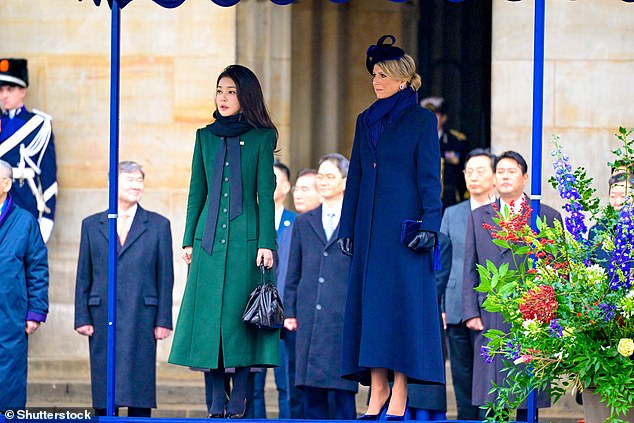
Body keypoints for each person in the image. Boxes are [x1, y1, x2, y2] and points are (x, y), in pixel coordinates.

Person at [338, 35, 444, 420]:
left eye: (383, 75)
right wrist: (347, 228)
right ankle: (377, 385)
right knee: (373, 311)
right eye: (374, 75)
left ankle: (400, 388)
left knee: (401, 310)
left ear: (402, 80)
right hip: (369, 233)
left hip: (406, 233)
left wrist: (431, 225)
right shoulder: (364, 120)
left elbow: (431, 180)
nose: (376, 81)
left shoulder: (421, 120)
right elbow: (356, 180)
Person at [169, 64, 279, 419]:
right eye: (220, 91)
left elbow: (265, 193)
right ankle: (218, 395)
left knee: (239, 318)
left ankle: (242, 391)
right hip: (207, 242)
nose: (224, 98)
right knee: (209, 319)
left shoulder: (262, 138)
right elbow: (195, 191)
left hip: (247, 241)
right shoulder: (204, 136)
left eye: (231, 92)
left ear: (246, 96)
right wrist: (188, 238)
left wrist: (267, 242)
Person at [462, 150, 560, 420]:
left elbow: (559, 270)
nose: (505, 176)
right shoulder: (479, 216)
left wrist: (550, 314)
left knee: (526, 400)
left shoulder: (546, 216)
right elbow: (470, 267)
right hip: (491, 316)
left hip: (530, 320)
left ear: (525, 177)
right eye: (500, 171)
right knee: (493, 398)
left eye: (511, 171)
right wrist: (470, 311)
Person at [74, 161, 174, 417]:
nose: (136, 185)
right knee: (104, 386)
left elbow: (165, 276)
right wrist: (82, 316)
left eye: (139, 180)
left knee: (139, 386)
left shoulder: (158, 225)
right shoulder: (91, 224)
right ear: (112, 185)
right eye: (129, 179)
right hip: (101, 314)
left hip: (143, 315)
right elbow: (84, 274)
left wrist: (163, 319)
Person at [284, 153, 358, 420]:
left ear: (345, 182)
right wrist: (289, 311)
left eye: (330, 177)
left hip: (342, 318)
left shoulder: (356, 221)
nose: (324, 182)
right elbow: (293, 271)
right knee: (310, 395)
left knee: (342, 396)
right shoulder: (304, 222)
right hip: (308, 317)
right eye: (321, 176)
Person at [439, 148, 496, 420]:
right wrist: (439, 304)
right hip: (455, 306)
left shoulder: (502, 214)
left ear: (495, 177)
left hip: (491, 307)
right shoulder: (451, 213)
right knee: (461, 377)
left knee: (491, 379)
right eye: (468, 171)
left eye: (480, 171)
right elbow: (441, 262)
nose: (473, 177)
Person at [0, 159, 48, 412]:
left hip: (11, 311)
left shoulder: (25, 221)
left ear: (6, 184)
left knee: (10, 370)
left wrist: (35, 312)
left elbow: (37, 269)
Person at [252, 160, 296, 419]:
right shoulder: (252, 222)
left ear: (287, 186)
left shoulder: (297, 222)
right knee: (253, 386)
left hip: (286, 318)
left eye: (274, 180)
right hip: (256, 315)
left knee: (286, 384)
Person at [0, 58, 57, 243]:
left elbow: (48, 174)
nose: (4, 96)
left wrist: (47, 217)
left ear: (23, 91)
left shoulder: (39, 125)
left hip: (24, 201)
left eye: (10, 89)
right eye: (1, 90)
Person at [421, 96, 468, 210]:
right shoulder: (414, 141)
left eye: (435, 114)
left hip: (450, 200)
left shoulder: (456, 141)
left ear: (444, 118)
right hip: (422, 199)